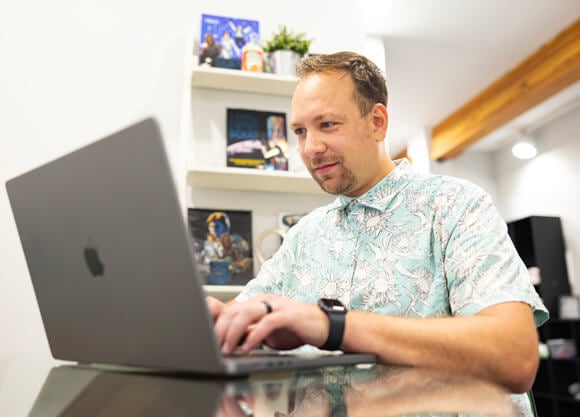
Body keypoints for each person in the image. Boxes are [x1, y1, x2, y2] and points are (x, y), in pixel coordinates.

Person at [207, 51, 548, 413]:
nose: (310, 148)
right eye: (301, 131)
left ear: (378, 122)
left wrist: (331, 325)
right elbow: (241, 314)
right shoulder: (303, 237)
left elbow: (514, 355)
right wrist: (214, 320)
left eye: (327, 125)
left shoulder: (455, 206)